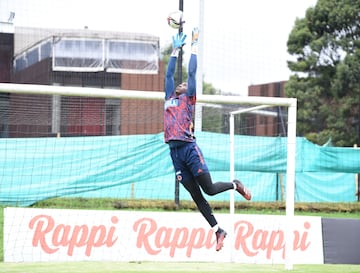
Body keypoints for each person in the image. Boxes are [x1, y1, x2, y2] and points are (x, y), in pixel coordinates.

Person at [163, 27, 252, 252]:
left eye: (185, 85)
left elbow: (191, 74)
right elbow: (168, 75)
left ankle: (235, 184)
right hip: (175, 154)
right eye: (179, 85)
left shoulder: (189, 99)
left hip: (189, 149)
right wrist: (175, 49)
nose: (181, 84)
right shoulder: (169, 98)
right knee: (195, 195)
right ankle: (218, 231)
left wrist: (193, 46)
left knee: (210, 189)